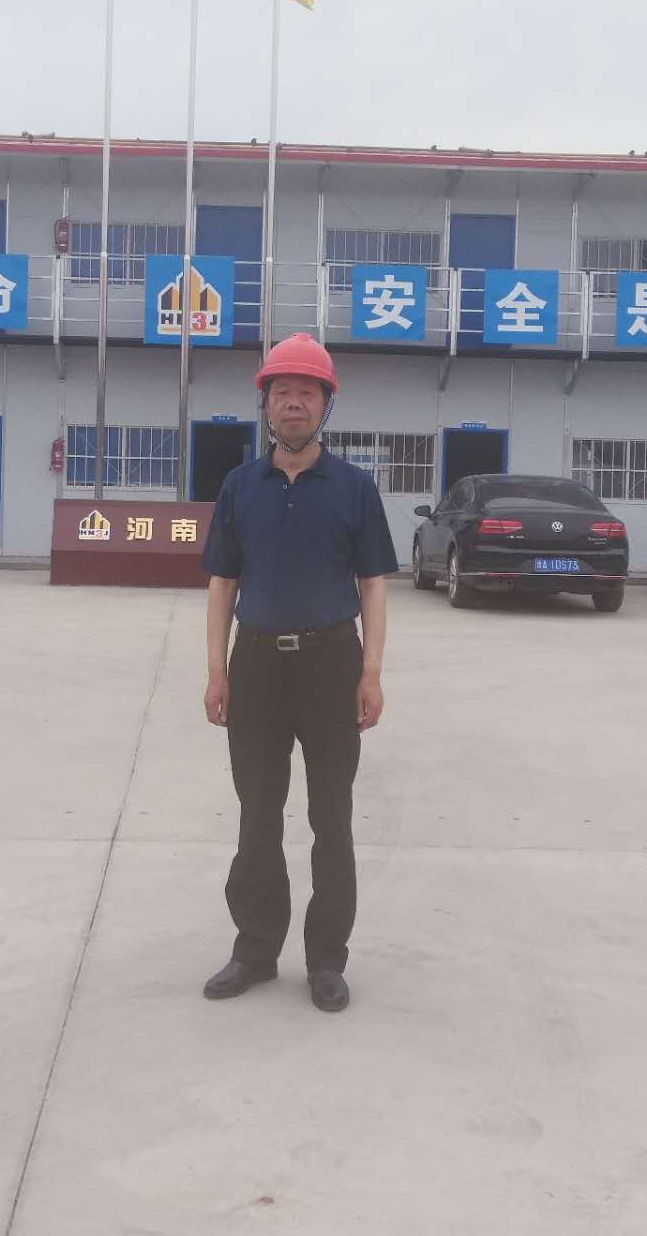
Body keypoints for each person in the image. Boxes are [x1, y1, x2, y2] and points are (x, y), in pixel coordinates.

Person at [201, 333, 399, 1013]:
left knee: (331, 817)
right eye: (281, 391)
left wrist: (371, 672)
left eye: (306, 392)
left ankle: (326, 960)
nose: (294, 403)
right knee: (258, 815)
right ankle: (255, 951)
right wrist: (217, 672)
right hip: (256, 665)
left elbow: (373, 584)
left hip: (330, 666)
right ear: (265, 404)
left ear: (325, 405)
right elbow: (222, 583)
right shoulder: (239, 487)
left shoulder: (354, 489)